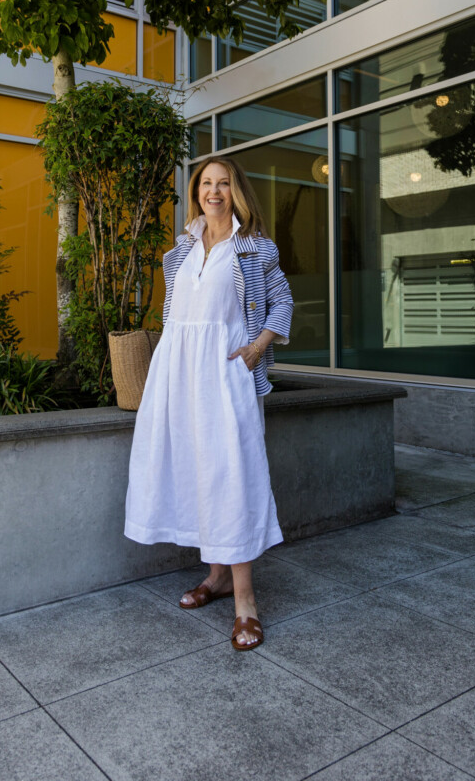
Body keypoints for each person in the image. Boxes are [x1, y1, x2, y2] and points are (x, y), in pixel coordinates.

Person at [124, 156, 293, 649]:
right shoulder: (179, 250)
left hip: (225, 375)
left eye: (223, 183)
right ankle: (217, 577)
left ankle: (245, 601)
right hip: (177, 375)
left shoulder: (254, 248)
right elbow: (177, 315)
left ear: (236, 190)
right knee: (198, 473)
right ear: (196, 191)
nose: (213, 191)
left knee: (232, 477)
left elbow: (282, 301)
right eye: (206, 184)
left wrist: (257, 349)